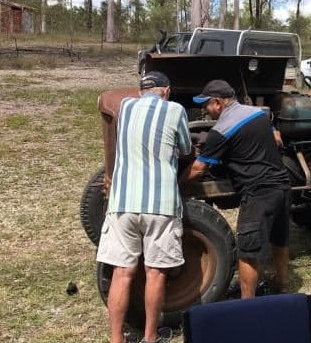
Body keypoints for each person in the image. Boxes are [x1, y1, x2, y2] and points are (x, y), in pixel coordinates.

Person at [96, 71, 192, 343]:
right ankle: (150, 336)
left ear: (140, 92)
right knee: (155, 272)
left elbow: (108, 100)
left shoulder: (125, 106)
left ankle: (117, 338)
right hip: (160, 203)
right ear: (167, 90)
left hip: (122, 201)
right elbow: (185, 149)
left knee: (122, 272)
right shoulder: (175, 110)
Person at [180, 79, 291, 299]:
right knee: (279, 238)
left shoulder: (221, 130)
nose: (204, 110)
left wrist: (178, 184)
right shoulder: (258, 114)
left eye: (206, 105)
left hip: (258, 192)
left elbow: (199, 169)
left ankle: (246, 302)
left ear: (219, 103)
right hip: (282, 184)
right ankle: (282, 284)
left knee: (247, 250)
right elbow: (275, 137)